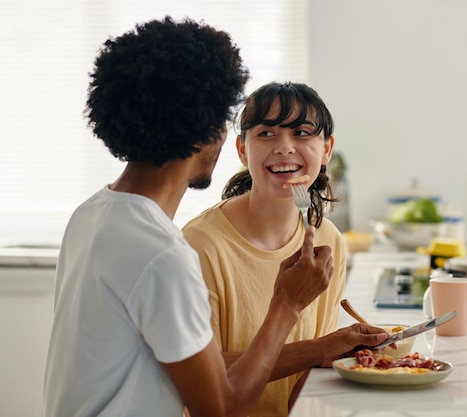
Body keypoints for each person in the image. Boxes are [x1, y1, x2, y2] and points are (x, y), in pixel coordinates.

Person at [42, 17, 390, 417]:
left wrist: (319, 350)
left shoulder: (91, 215)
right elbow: (221, 406)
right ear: (212, 132)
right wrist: (287, 304)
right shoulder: (164, 256)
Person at [182, 81, 376, 417]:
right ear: (243, 150)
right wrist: (316, 350)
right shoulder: (200, 245)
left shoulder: (329, 244)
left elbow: (313, 378)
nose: (285, 148)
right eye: (267, 134)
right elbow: (202, 380)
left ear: (327, 149)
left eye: (302, 133)